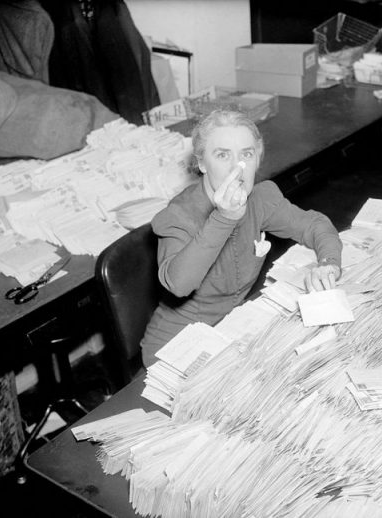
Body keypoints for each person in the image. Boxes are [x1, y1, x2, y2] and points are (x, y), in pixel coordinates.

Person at [140, 109, 343, 367]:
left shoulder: (261, 198)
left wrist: (328, 262)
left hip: (232, 333)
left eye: (246, 154)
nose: (237, 168)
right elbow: (179, 283)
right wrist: (224, 218)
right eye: (222, 155)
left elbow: (314, 224)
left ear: (258, 158)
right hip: (176, 348)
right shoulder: (178, 215)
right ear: (202, 164)